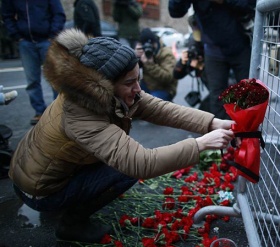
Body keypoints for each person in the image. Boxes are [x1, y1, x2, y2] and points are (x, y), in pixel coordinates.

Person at [8, 29, 235, 243]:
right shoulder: (80, 113)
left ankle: (72, 199)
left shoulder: (91, 92)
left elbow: (159, 108)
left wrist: (212, 122)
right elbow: (140, 163)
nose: (138, 88)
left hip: (44, 172)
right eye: (129, 83)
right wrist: (202, 144)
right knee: (124, 168)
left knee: (120, 154)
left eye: (138, 79)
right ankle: (71, 225)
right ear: (103, 84)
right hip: (39, 191)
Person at [168, 0, 256, 119]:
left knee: (248, 94)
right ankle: (224, 133)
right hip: (213, 50)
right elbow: (175, 11)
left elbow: (250, 5)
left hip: (241, 45)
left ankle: (247, 133)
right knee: (217, 98)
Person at [1, 0, 66, 125]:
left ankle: (58, 111)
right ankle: (39, 112)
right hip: (25, 42)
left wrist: (53, 34)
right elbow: (7, 15)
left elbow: (58, 13)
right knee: (32, 81)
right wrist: (16, 35)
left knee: (55, 78)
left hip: (47, 40)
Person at [139, 27, 178, 101]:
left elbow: (167, 77)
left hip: (164, 88)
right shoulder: (143, 52)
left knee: (152, 104)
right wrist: (135, 57)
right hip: (148, 85)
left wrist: (149, 64)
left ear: (155, 42)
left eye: (150, 45)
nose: (148, 49)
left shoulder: (166, 54)